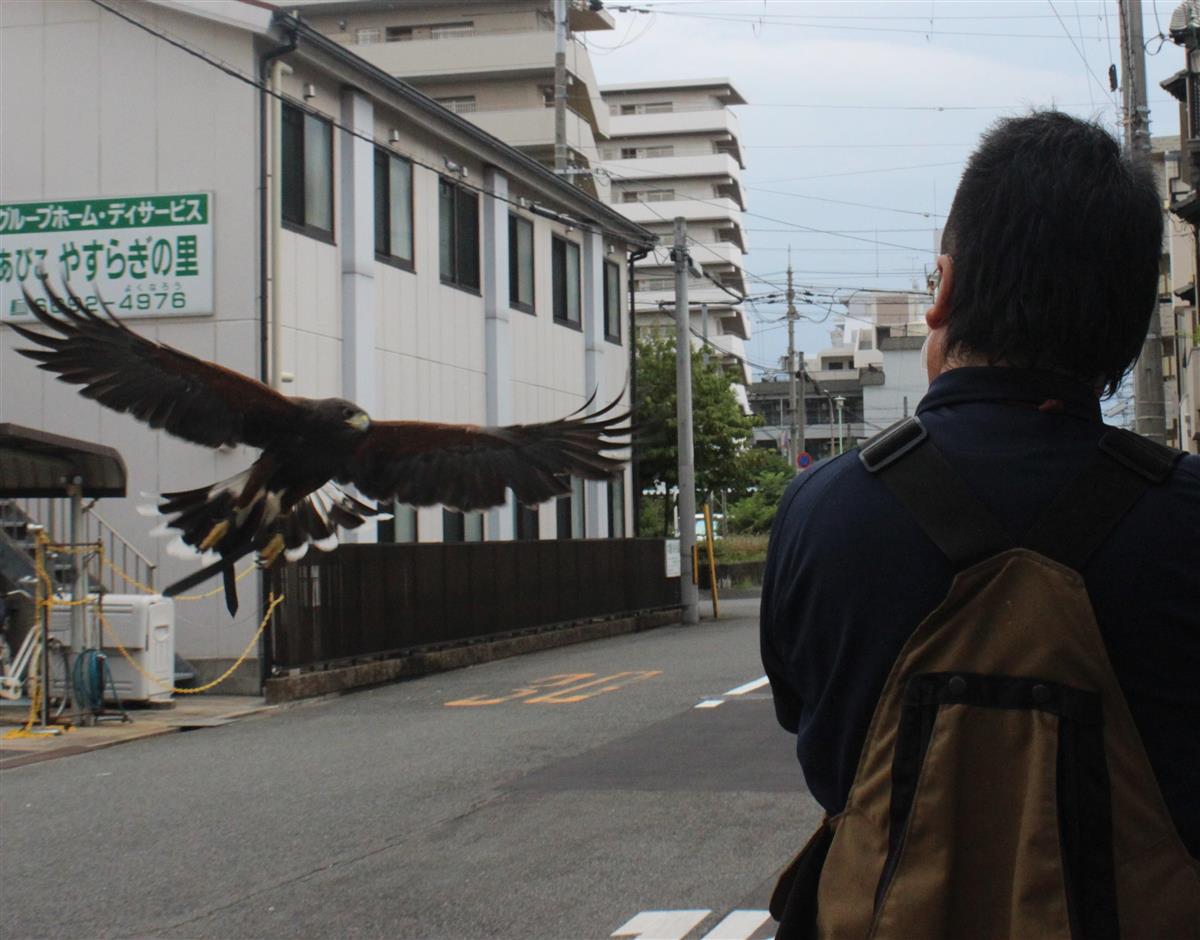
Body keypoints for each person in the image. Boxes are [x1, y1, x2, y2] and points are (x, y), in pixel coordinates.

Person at [759, 107, 1200, 873]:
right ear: (1134, 325)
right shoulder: (1186, 517)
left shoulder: (820, 512)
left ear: (946, 288)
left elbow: (809, 726)